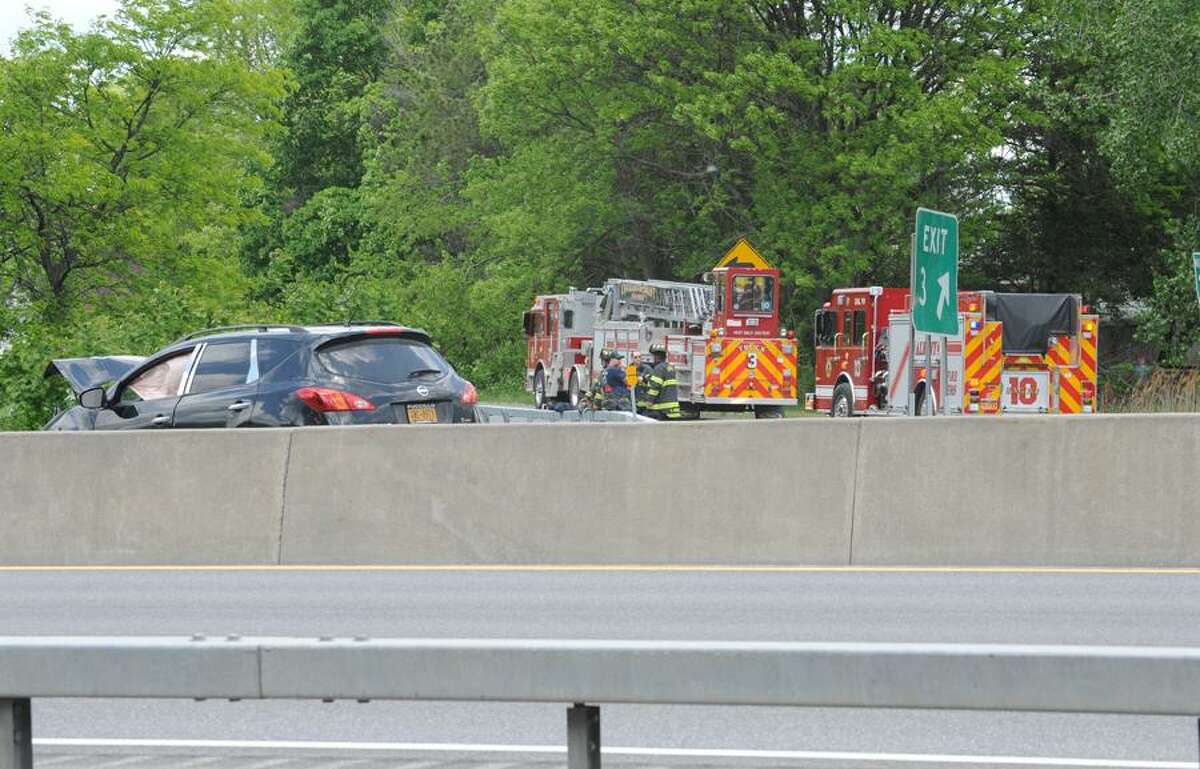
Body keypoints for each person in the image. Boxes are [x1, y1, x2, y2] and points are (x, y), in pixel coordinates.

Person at [641, 343, 681, 420]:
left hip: (661, 410)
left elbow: (655, 387)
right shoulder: (670, 368)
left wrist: (649, 401)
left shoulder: (658, 369)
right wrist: (648, 378)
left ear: (656, 356)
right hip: (672, 409)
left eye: (652, 356)